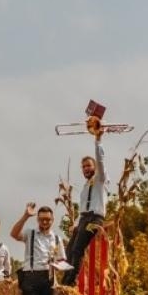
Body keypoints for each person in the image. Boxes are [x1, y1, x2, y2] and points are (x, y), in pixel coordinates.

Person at [63, 117, 106, 284]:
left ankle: (70, 282)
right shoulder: (84, 188)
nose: (86, 168)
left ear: (94, 167)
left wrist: (98, 140)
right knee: (69, 249)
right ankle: (65, 278)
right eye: (84, 167)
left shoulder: (100, 180)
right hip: (83, 218)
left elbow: (101, 161)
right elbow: (82, 207)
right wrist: (75, 223)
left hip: (94, 219)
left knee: (77, 249)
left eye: (89, 165)